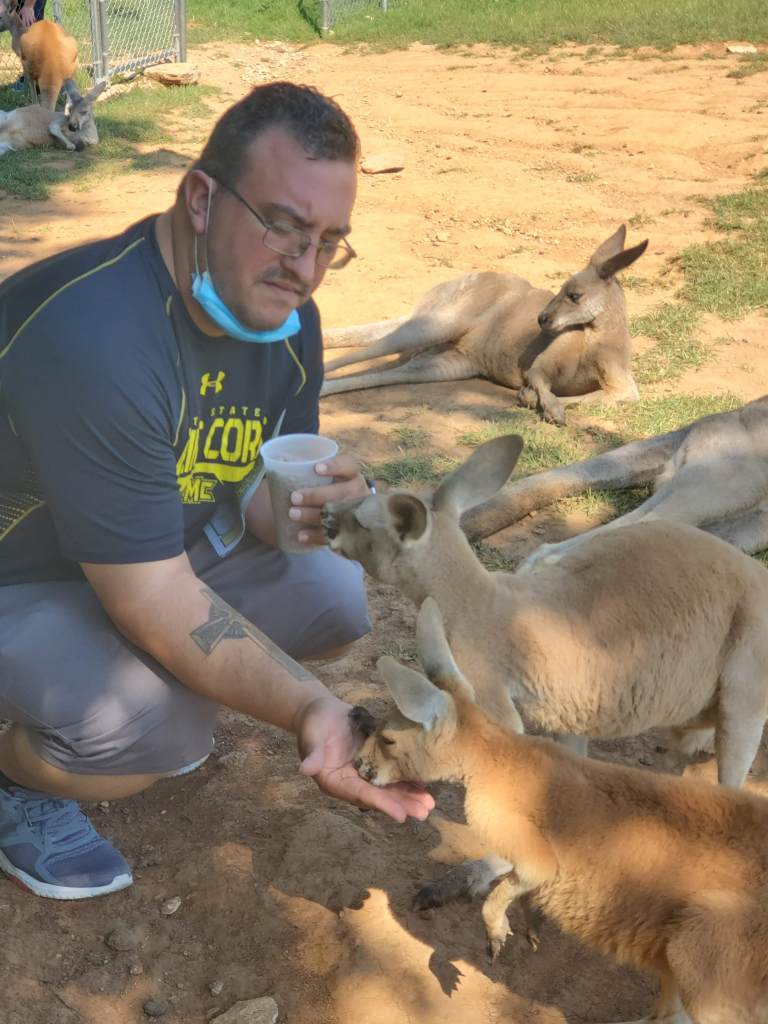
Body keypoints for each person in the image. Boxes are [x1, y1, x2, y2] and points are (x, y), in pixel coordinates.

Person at [0, 81, 433, 901]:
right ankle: (19, 778)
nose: (305, 270)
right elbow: (153, 594)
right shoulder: (97, 339)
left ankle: (100, 686)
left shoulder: (280, 315)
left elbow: (259, 500)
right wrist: (311, 709)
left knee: (332, 594)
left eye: (330, 241)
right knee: (154, 726)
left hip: (127, 549)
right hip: (22, 572)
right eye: (282, 225)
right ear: (201, 199)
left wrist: (329, 505)